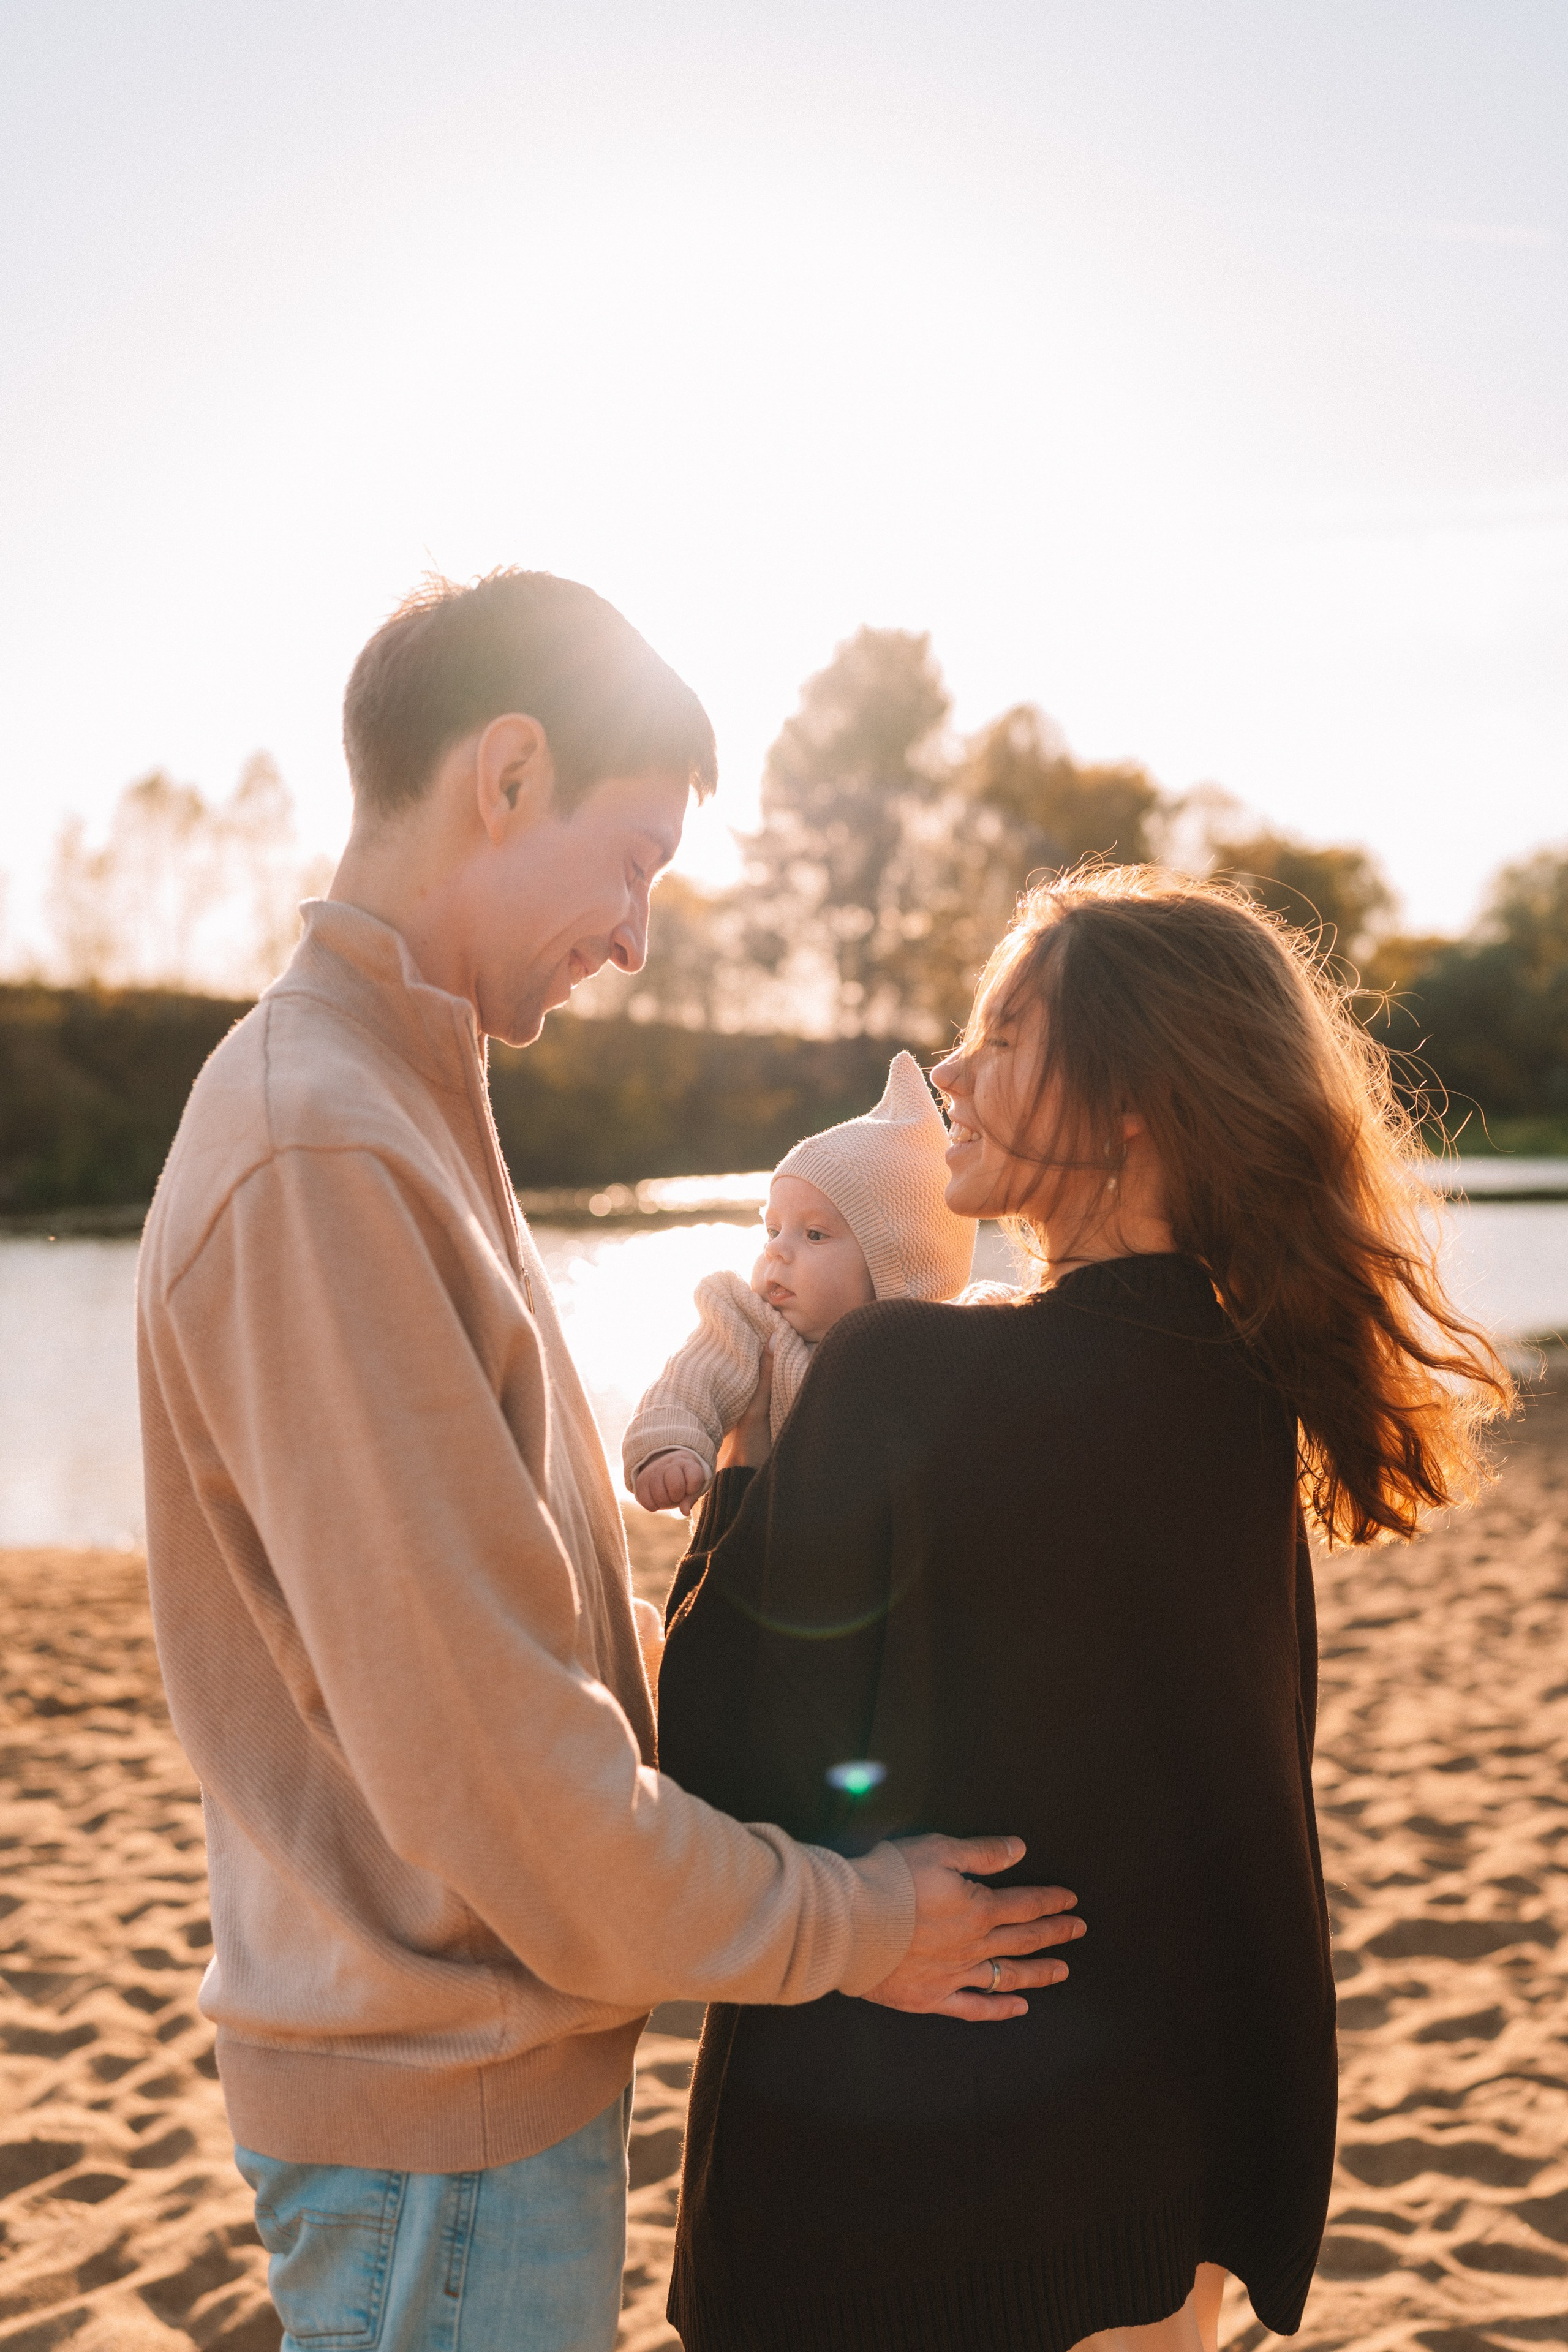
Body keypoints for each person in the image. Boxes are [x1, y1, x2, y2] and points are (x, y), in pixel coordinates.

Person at [135, 569, 1085, 2352]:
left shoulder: (392, 1096)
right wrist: (860, 1921)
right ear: (504, 776)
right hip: (440, 2131)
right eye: (632, 855)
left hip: (467, 2099)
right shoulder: (322, 1148)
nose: (640, 933)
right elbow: (508, 1781)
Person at [658, 864, 1512, 2352]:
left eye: (1002, 1035)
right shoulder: (1242, 1392)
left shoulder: (899, 1374)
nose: (954, 1076)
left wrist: (746, 1440)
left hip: (884, 2204)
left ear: (1129, 1104)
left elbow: (715, 1754)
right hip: (1156, 2202)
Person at [625, 1050, 995, 1517]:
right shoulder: (748, 1324)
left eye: (814, 1234)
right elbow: (688, 1385)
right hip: (764, 1541)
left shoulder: (938, 1345)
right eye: (773, 1230)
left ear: (894, 1269)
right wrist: (669, 1450)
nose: (777, 1251)